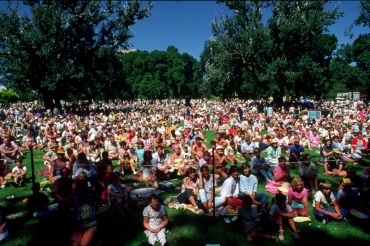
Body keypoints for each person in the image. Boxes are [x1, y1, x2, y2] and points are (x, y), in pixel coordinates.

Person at [63, 179, 99, 246]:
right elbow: (63, 207)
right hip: (78, 225)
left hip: (90, 224)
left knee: (84, 245)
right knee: (74, 244)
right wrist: (72, 193)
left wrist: (92, 192)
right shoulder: (75, 198)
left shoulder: (90, 197)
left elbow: (102, 202)